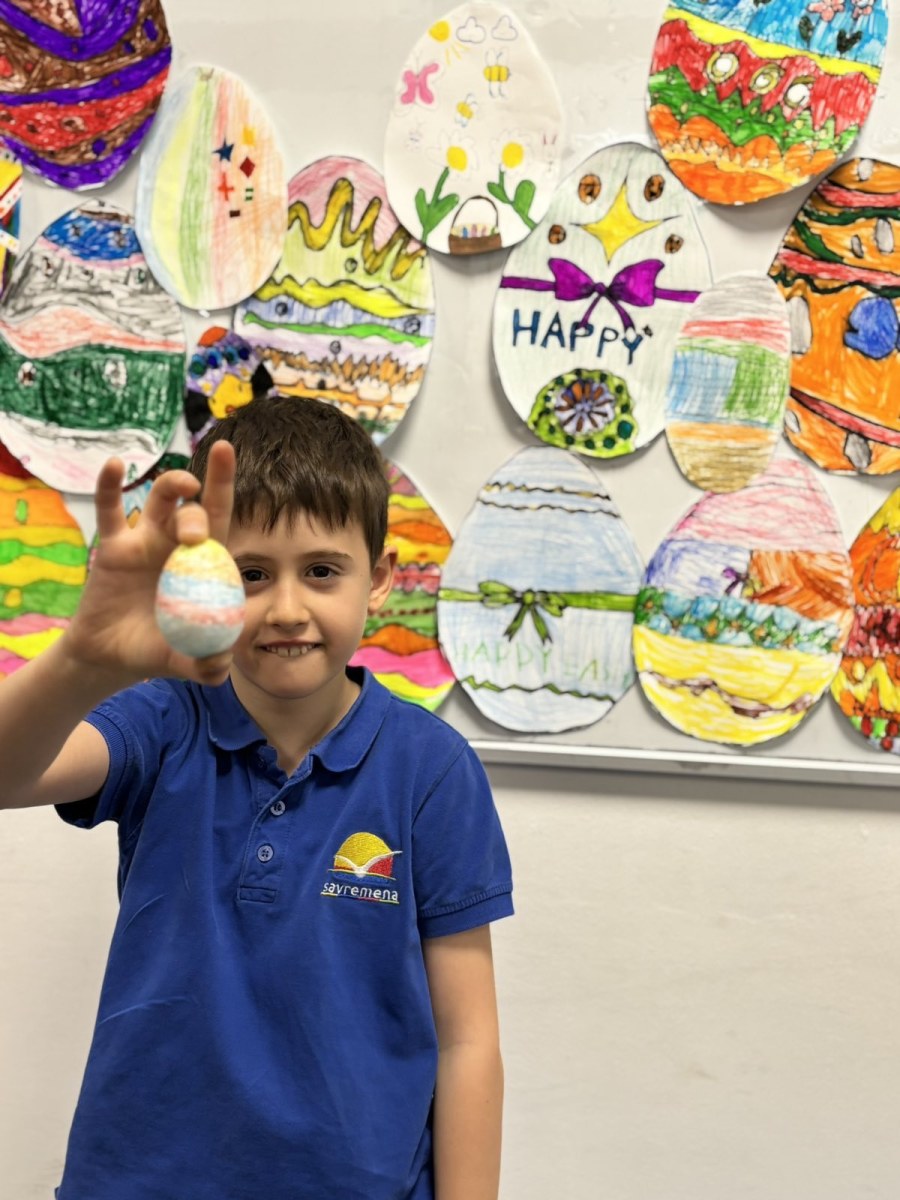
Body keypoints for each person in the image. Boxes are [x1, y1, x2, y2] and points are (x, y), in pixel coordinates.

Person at [0, 395, 513, 1200]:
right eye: (251, 574)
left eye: (321, 571)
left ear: (380, 579)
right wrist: (83, 662)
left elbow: (468, 1041)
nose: (286, 609)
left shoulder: (432, 769)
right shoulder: (163, 719)